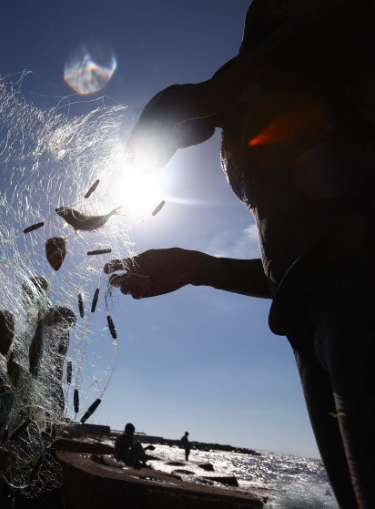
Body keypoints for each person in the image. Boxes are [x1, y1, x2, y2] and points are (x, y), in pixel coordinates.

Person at [104, 1, 375, 507]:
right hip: (307, 320)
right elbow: (293, 266)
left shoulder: (322, 28)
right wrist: (199, 268)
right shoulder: (252, 73)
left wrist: (203, 96)